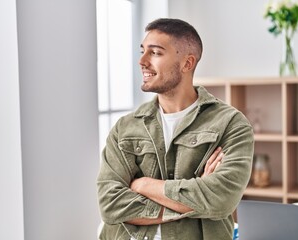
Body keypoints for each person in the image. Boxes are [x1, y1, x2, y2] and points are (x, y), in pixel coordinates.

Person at [97, 18, 254, 240]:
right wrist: (194, 203)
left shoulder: (231, 124)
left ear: (187, 63)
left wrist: (142, 184)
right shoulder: (125, 127)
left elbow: (220, 199)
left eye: (156, 53)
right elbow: (110, 203)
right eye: (142, 51)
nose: (142, 61)